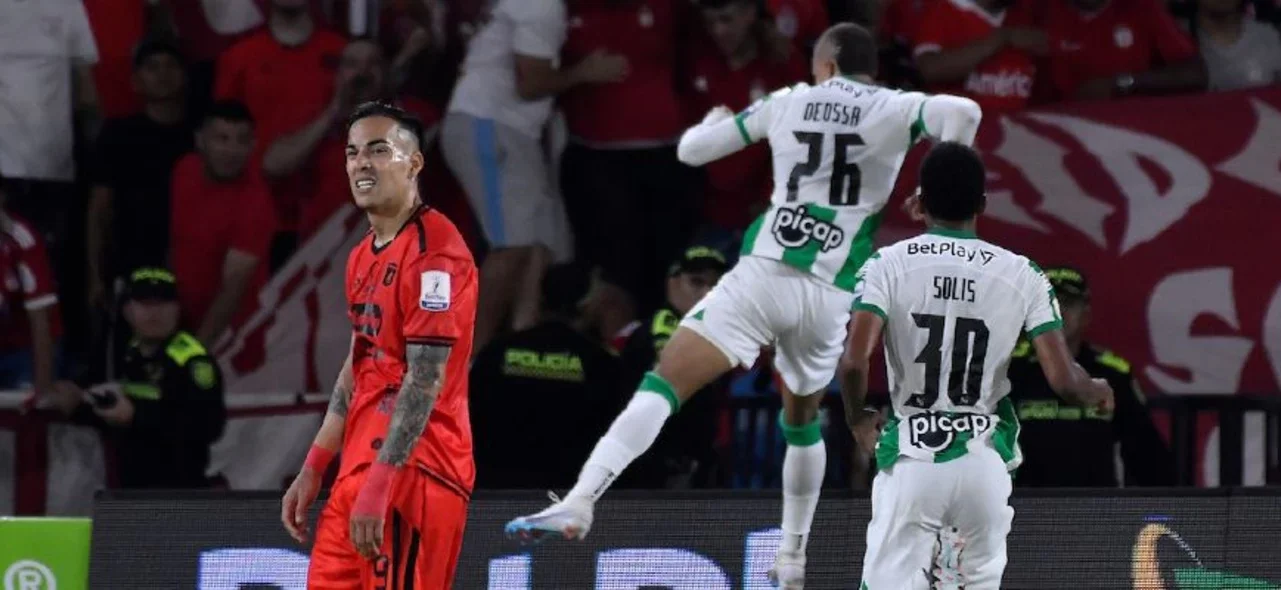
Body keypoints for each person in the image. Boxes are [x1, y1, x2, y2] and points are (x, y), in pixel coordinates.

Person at [505, 22, 983, 589]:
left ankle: (582, 501)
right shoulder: (895, 106)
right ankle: (791, 559)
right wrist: (938, 183)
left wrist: (709, 124)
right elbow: (964, 114)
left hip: (764, 274)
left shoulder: (788, 100)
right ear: (869, 67)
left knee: (663, 386)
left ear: (824, 63)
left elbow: (691, 152)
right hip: (830, 294)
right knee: (801, 423)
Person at [839, 142, 1114, 589]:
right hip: (983, 463)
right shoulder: (1023, 273)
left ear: (921, 202)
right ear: (982, 205)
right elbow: (1065, 380)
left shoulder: (886, 264)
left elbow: (854, 361)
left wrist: (857, 417)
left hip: (914, 456)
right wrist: (1096, 389)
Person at [280, 102, 478, 589]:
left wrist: (383, 481)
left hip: (414, 473)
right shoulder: (359, 258)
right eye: (351, 153)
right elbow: (357, 367)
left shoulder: (436, 255)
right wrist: (314, 466)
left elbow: (426, 377)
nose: (361, 163)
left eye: (378, 150)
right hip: (357, 471)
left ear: (413, 164)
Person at [441, 0, 624, 356]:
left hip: (515, 131)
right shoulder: (543, 4)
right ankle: (467, 362)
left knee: (538, 246)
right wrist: (584, 72)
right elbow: (531, 83)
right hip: (489, 124)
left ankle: (523, 343)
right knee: (512, 246)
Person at [1008, 267, 1176, 487]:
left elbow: (1145, 452)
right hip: (1024, 511)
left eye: (1067, 303)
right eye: (1049, 304)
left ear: (1086, 315)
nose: (1057, 313)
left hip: (1095, 510)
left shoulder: (1113, 372)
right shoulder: (1010, 368)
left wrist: (1162, 514)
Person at [64, 267, 227, 488]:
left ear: (177, 309)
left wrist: (136, 415)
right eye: (145, 304)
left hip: (180, 490)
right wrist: (75, 402)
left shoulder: (193, 361)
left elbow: (208, 425)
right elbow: (101, 402)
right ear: (128, 310)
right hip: (129, 487)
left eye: (163, 304)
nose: (154, 313)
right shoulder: (122, 354)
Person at [470, 262, 623, 490]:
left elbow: (469, 412)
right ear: (586, 302)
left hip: (496, 490)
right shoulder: (600, 362)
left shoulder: (497, 350)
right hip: (567, 495)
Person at [616, 246, 730, 489]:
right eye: (696, 282)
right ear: (673, 283)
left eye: (716, 285)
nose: (707, 292)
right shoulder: (665, 326)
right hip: (659, 463)